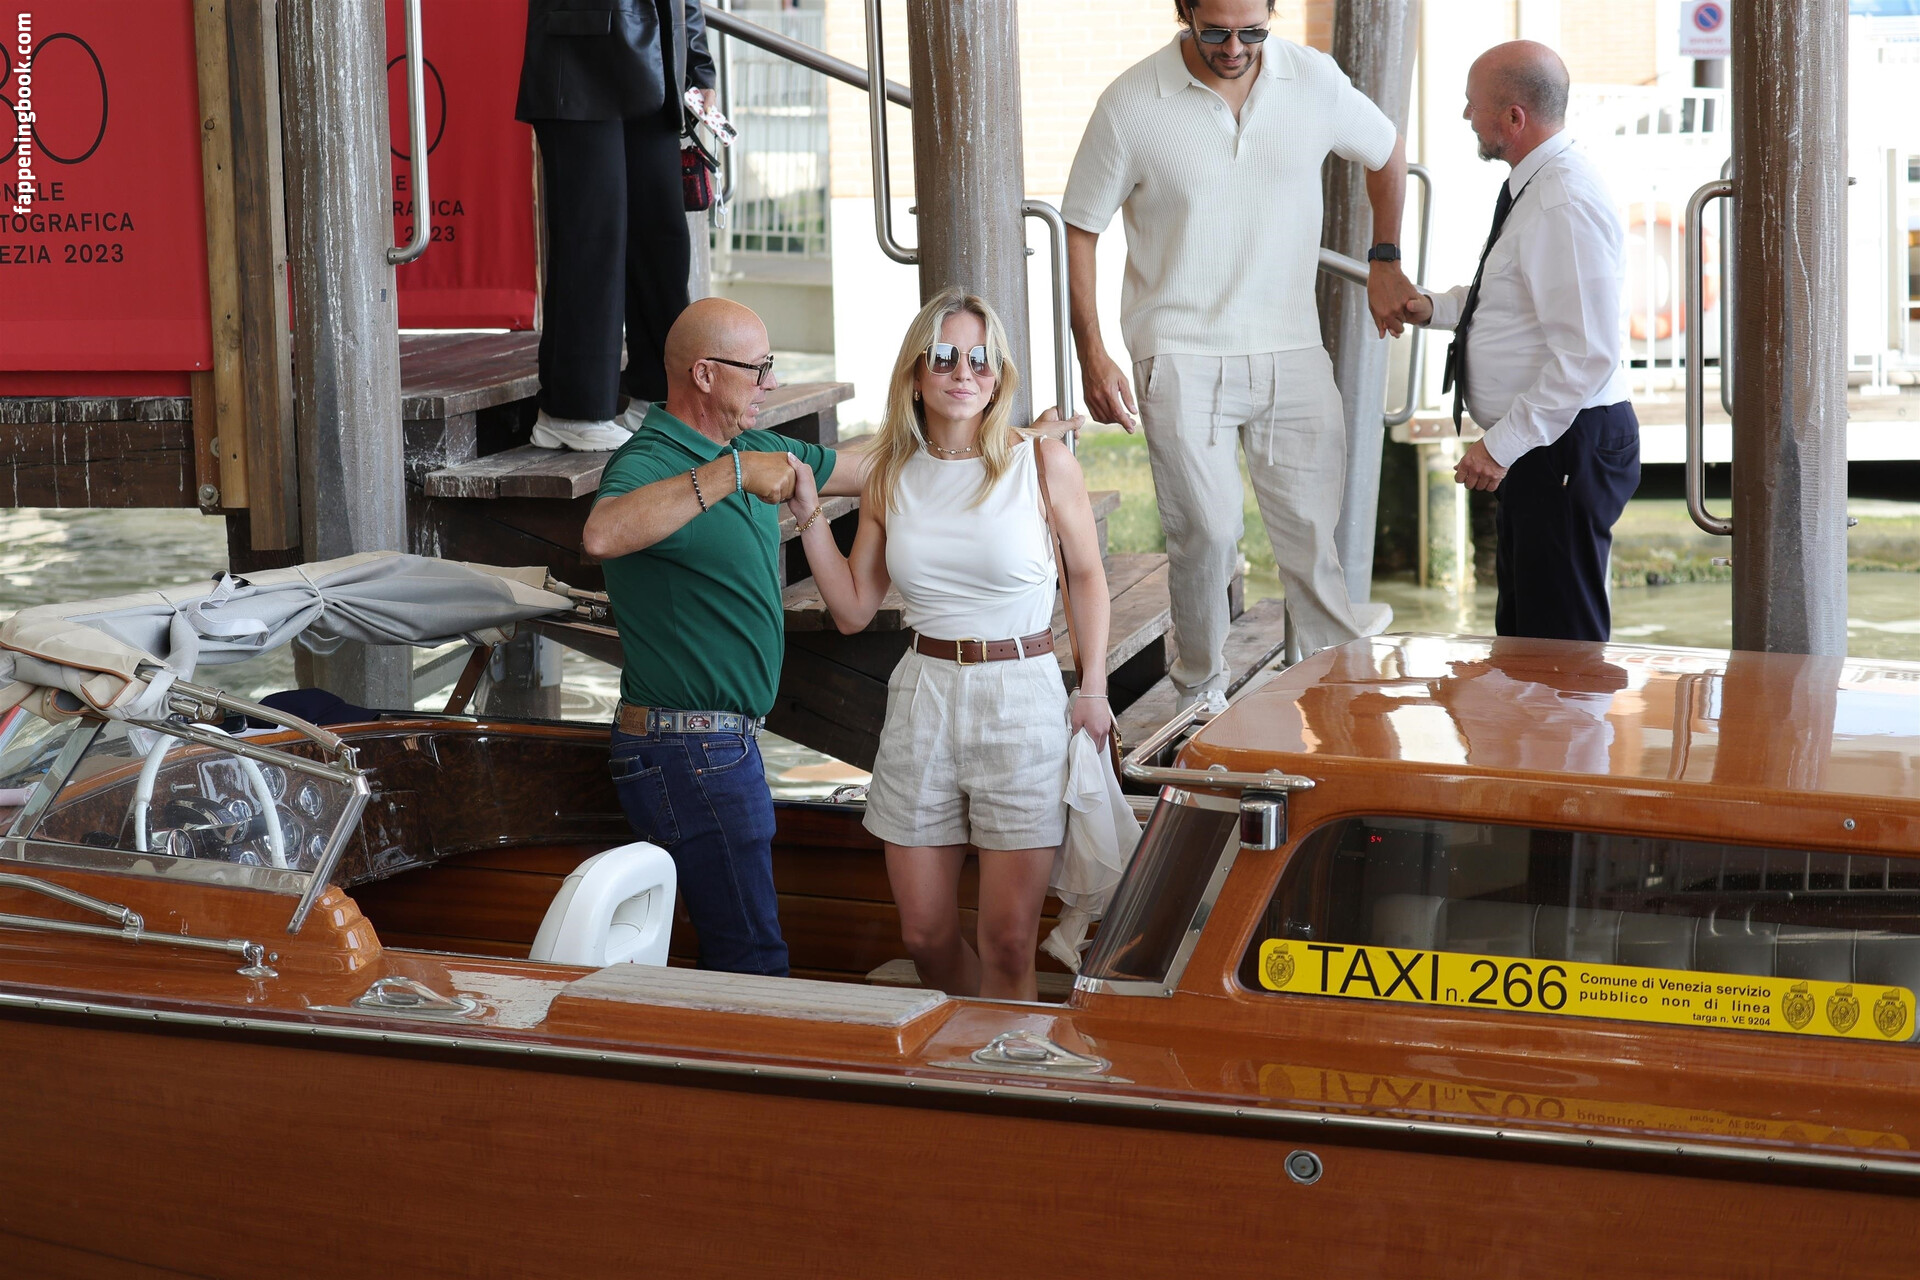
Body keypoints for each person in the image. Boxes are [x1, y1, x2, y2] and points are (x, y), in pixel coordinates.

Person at [1061, 0, 1421, 706]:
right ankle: (1200, 691)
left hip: (1293, 346)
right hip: (1178, 348)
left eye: (1253, 31)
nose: (1234, 47)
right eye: (1216, 31)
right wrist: (1091, 351)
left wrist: (1385, 257)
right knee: (1207, 531)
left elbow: (1386, 151)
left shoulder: (1312, 79)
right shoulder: (1131, 103)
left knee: (1313, 541)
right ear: (1184, 11)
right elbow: (1081, 226)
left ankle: (1339, 697)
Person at [783, 289, 1112, 1002]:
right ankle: (976, 1043)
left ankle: (1001, 1065)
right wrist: (811, 519)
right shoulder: (891, 474)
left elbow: (1087, 576)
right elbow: (852, 610)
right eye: (943, 356)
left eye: (981, 359)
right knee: (926, 937)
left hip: (1022, 694)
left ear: (998, 378)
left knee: (1008, 943)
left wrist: (1093, 689)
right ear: (915, 373)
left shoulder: (1043, 462)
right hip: (923, 696)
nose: (964, 371)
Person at [580, 298, 867, 975]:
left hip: (714, 746)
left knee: (742, 950)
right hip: (687, 747)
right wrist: (729, 475)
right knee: (753, 961)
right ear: (705, 375)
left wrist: (991, 440)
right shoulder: (648, 460)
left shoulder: (754, 446)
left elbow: (874, 472)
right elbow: (601, 534)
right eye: (758, 368)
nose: (772, 382)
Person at [1398, 41, 1637, 642]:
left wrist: (1499, 446)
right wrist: (1431, 307)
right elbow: (1507, 300)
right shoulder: (1536, 188)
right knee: (1527, 639)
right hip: (1547, 444)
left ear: (1513, 117)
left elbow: (1587, 354)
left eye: (1473, 104)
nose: (1465, 116)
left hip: (1562, 444)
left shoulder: (1561, 199)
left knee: (1559, 646)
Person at [516, 0, 715, 451]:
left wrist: (698, 66)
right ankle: (571, 409)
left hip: (658, 60)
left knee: (660, 237)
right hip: (581, 54)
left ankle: (657, 394)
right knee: (592, 236)